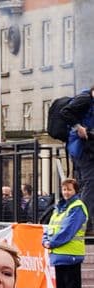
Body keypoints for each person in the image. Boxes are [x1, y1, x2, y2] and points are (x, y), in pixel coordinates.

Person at [43, 177, 87, 288]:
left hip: (71, 253)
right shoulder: (59, 208)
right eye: (64, 189)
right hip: (59, 253)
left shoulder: (77, 207)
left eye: (69, 189)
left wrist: (51, 242)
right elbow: (50, 227)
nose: (66, 192)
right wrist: (45, 240)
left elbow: (68, 230)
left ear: (75, 191)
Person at [60, 86, 94, 235]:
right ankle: (83, 222)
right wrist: (78, 127)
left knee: (85, 183)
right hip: (81, 148)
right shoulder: (85, 99)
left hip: (87, 148)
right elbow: (65, 112)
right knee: (90, 182)